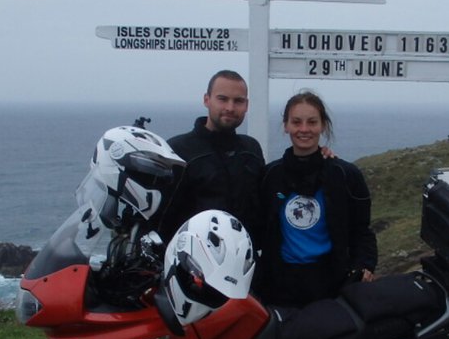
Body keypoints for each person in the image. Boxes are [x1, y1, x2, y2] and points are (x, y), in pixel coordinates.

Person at [257, 91, 377, 307]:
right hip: (280, 285)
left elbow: (362, 230)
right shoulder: (270, 176)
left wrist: (365, 265)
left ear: (323, 126)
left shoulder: (345, 175)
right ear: (286, 126)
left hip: (331, 283)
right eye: (296, 122)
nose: (304, 129)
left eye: (312, 122)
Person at [160, 70, 265, 241]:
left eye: (238, 101)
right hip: (190, 262)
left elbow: (272, 194)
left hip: (245, 261)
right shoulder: (177, 150)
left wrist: (321, 157)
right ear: (206, 100)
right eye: (222, 99)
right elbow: (160, 217)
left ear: (246, 105)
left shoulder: (251, 150)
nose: (230, 108)